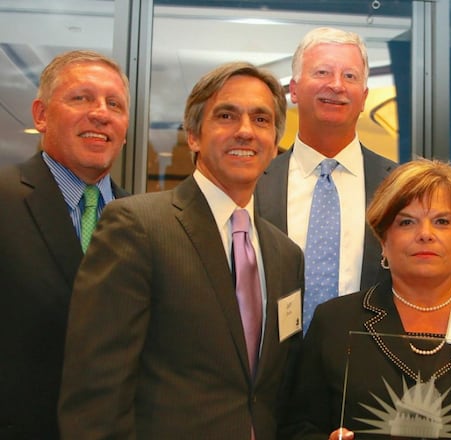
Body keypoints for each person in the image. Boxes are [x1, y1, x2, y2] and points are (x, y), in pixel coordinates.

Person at [58, 62, 304, 439]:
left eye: (261, 119)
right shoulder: (136, 227)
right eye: (226, 116)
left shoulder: (286, 255)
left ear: (274, 144)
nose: (245, 131)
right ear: (193, 136)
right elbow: (96, 394)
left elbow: (274, 391)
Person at [281, 159, 451, 440]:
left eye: (442, 222)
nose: (425, 234)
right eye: (407, 222)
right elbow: (299, 428)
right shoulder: (335, 322)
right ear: (383, 240)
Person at [0, 49, 129, 439]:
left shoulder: (144, 221)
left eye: (114, 104)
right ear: (41, 115)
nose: (101, 113)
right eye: (81, 98)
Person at [256, 26, 396, 331]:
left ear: (364, 97)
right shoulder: (255, 184)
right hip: (274, 357)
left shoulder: (398, 186)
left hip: (367, 356)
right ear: (294, 90)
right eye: (322, 72)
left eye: (350, 76)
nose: (336, 85)